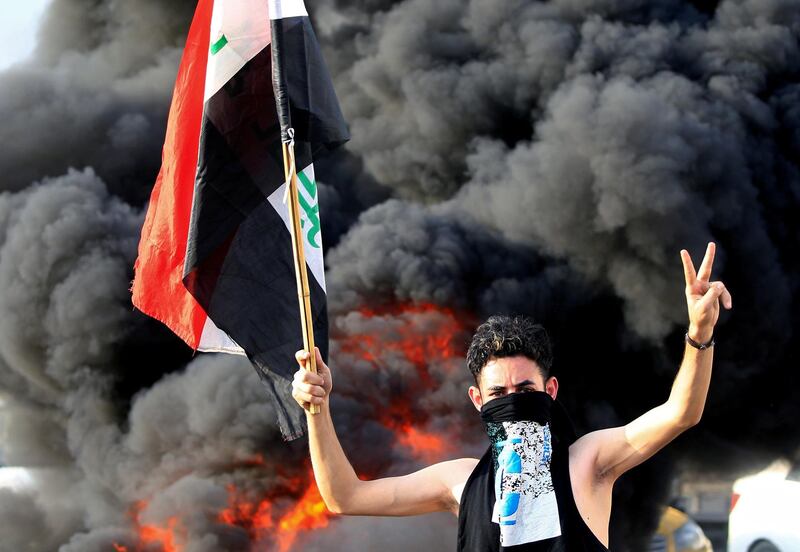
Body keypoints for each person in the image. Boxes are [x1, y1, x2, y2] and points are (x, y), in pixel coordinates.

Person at [291, 242, 732, 550]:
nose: (514, 402)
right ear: (477, 401)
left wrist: (699, 334)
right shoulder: (461, 483)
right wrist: (318, 409)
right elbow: (344, 497)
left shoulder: (590, 462)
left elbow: (681, 413)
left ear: (551, 391)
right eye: (499, 393)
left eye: (526, 390)